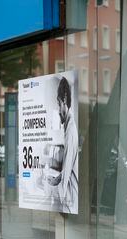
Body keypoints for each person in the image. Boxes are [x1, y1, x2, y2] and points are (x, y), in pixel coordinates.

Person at [47, 77, 79, 213]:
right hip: (70, 197)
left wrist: (56, 194)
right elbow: (67, 167)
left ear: (64, 100)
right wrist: (55, 180)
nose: (58, 110)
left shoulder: (71, 129)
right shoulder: (68, 127)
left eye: (58, 104)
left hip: (70, 199)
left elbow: (67, 175)